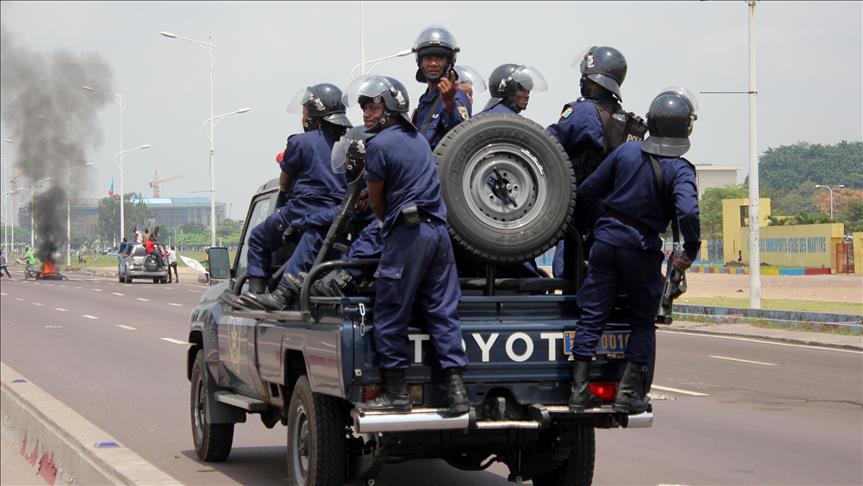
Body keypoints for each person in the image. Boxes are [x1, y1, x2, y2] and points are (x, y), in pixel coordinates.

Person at [567, 87, 701, 415]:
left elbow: (586, 192)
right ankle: (628, 392)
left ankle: (578, 392)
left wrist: (588, 233)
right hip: (640, 250)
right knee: (643, 321)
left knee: (592, 315)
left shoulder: (626, 154)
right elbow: (687, 212)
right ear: (685, 128)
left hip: (605, 244)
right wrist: (691, 249)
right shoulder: (681, 168)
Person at [350, 75, 469, 415]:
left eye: (372, 106)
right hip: (439, 233)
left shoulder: (379, 146)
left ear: (388, 109)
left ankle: (398, 394)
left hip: (409, 234)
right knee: (443, 311)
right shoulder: (418, 139)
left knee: (390, 310)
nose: (366, 113)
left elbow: (376, 204)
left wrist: (392, 228)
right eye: (364, 107)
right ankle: (457, 392)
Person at [241, 83, 352, 305]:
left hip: (301, 211)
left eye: (304, 112)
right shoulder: (353, 142)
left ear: (314, 114)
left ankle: (257, 294)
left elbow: (284, 183)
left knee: (258, 238)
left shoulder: (300, 142)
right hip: (340, 216)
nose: (302, 118)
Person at [547, 46, 648, 279]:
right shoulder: (627, 120)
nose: (582, 82)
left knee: (568, 272)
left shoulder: (582, 112)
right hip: (615, 214)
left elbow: (546, 141)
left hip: (579, 208)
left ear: (593, 79)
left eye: (585, 77)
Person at [410, 25, 472, 149]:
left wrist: (450, 105)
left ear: (449, 61)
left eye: (439, 58)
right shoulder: (425, 99)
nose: (433, 64)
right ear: (420, 62)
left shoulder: (457, 96)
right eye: (428, 58)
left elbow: (462, 137)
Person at [476, 64, 548, 117]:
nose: (527, 96)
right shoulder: (519, 125)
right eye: (521, 89)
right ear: (505, 89)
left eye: (528, 91)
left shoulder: (473, 121)